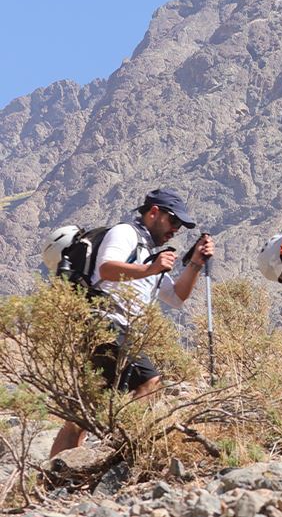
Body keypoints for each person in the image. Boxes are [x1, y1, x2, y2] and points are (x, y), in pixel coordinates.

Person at [50, 188, 215, 457]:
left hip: (124, 330)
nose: (175, 230)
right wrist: (150, 269)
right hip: (106, 322)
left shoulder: (150, 252)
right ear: (154, 213)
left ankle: (68, 468)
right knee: (142, 386)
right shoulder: (125, 233)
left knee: (89, 409)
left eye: (179, 226)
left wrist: (195, 262)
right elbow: (106, 268)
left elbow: (177, 296)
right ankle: (116, 451)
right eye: (173, 221)